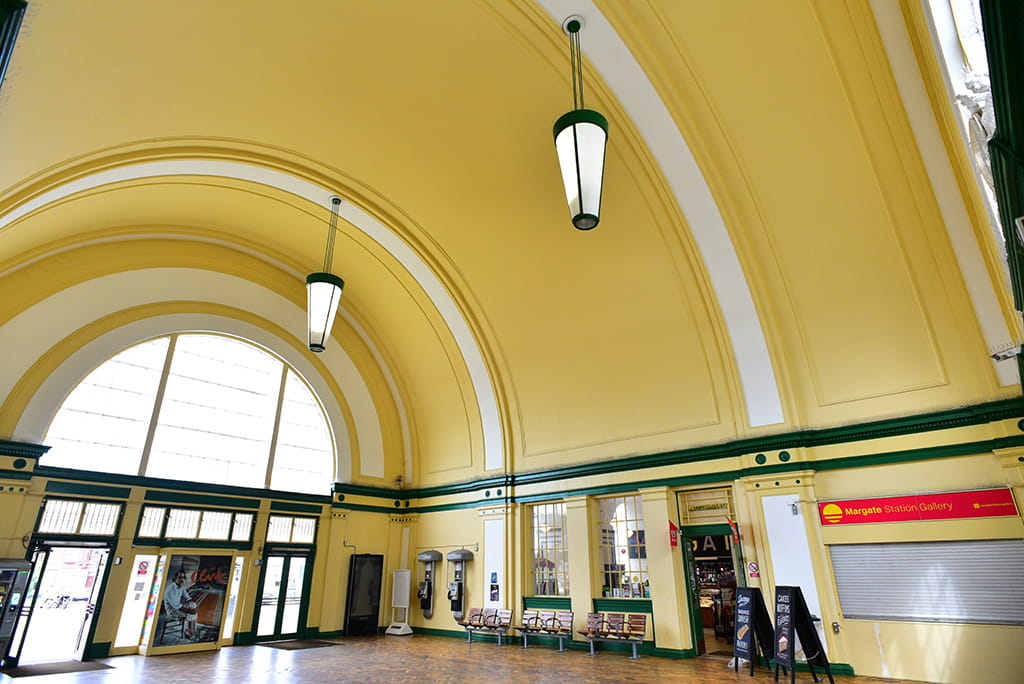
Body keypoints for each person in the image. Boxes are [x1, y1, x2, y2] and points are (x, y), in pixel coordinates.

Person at [163, 570, 198, 639]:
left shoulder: (181, 587)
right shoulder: (170, 589)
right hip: (172, 610)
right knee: (191, 613)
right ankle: (188, 631)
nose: (181, 579)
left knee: (193, 606)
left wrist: (193, 605)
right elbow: (177, 606)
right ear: (175, 578)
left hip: (178, 607)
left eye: (183, 577)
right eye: (179, 577)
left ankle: (189, 629)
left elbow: (187, 597)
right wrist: (190, 611)